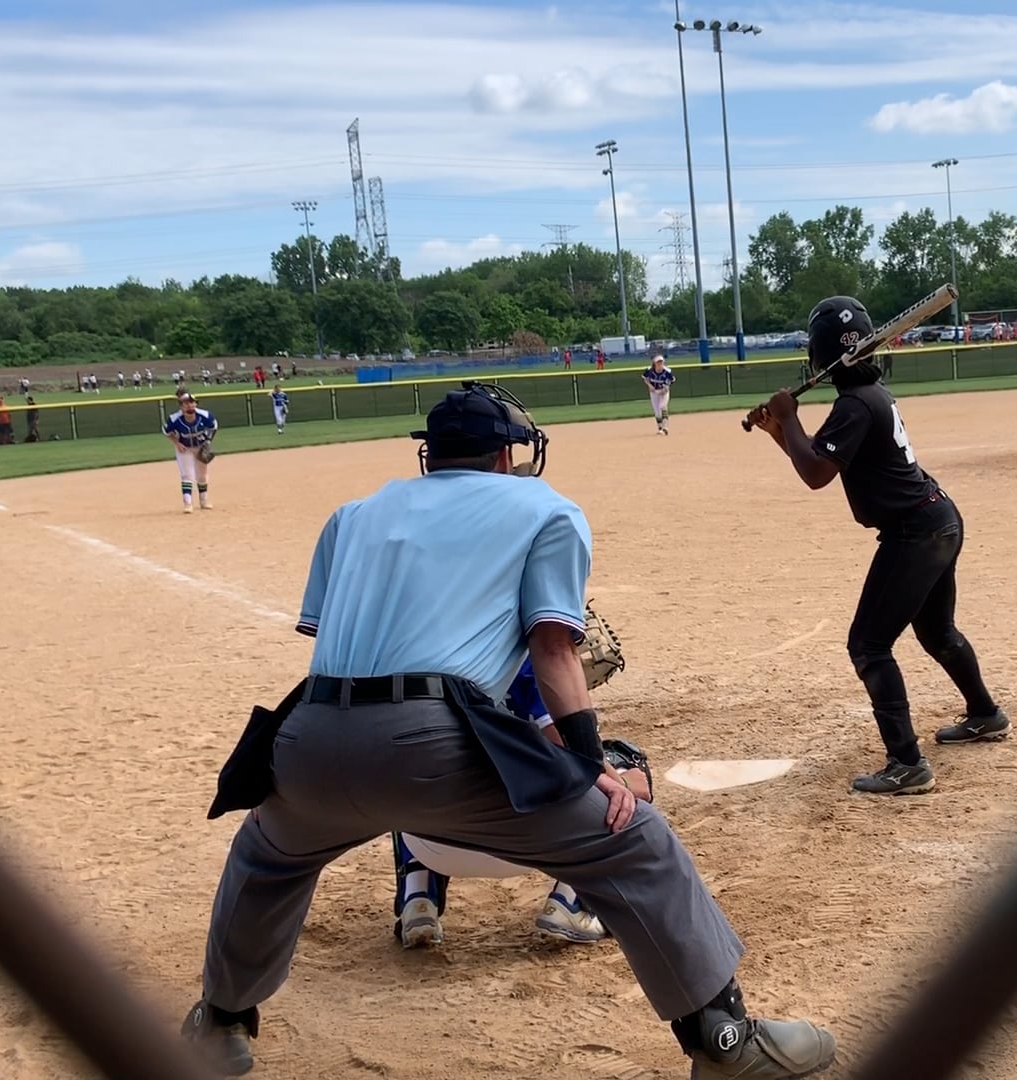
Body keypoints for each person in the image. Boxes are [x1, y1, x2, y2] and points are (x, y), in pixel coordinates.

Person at [180, 381, 835, 1079]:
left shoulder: (352, 514)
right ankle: (725, 1040)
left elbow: (345, 643)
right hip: (430, 743)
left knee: (266, 855)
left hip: (306, 738)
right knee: (634, 839)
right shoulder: (544, 507)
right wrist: (589, 765)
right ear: (503, 455)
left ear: (432, 454)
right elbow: (554, 652)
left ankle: (219, 1024)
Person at [749, 296, 1009, 796]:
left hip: (916, 532)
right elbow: (817, 459)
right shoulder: (870, 395)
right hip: (937, 519)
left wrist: (789, 416)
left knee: (868, 645)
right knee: (937, 632)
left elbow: (816, 474)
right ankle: (985, 714)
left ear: (818, 355)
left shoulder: (853, 404)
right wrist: (780, 430)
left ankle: (907, 763)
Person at [390, 655, 654, 949]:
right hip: (523, 841)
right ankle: (573, 902)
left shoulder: (411, 653)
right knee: (617, 767)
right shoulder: (528, 656)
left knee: (412, 772)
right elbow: (571, 747)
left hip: (431, 844)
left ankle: (417, 898)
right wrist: (625, 783)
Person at [163, 393, 216, 512]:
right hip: (184, 449)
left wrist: (208, 441)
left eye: (192, 402)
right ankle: (188, 504)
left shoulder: (205, 415)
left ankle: (204, 501)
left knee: (202, 475)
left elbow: (214, 426)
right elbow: (166, 431)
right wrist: (177, 443)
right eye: (186, 403)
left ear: (196, 404)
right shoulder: (174, 419)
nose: (190, 405)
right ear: (181, 406)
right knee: (187, 475)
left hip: (200, 447)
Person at [642, 354, 676, 435]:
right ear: (655, 363)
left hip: (664, 392)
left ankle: (665, 427)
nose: (660, 364)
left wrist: (665, 388)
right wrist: (650, 386)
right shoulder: (649, 370)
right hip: (654, 392)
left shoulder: (667, 371)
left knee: (662, 406)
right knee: (657, 412)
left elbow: (671, 381)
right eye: (658, 362)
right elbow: (645, 378)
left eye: (661, 362)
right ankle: (660, 428)